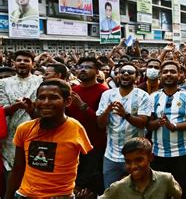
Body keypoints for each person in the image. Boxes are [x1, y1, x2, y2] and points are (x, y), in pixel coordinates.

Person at [5, 79, 93, 198]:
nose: (46, 102)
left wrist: (79, 188)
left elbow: (88, 164)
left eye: (53, 98)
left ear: (67, 101)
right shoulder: (24, 129)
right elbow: (17, 169)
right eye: (41, 98)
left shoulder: (76, 128)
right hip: (25, 195)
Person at [147, 60, 186, 198]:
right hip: (158, 154)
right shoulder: (153, 97)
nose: (168, 74)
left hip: (182, 153)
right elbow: (148, 124)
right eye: (165, 72)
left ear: (179, 75)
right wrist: (159, 122)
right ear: (160, 75)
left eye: (172, 71)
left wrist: (174, 126)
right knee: (159, 191)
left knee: (180, 190)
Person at [97, 63, 152, 189]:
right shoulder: (107, 95)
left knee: (138, 191)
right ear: (117, 76)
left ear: (137, 77)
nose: (126, 74)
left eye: (130, 72)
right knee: (111, 191)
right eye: (122, 72)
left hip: (136, 155)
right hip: (111, 155)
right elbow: (100, 124)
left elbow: (143, 123)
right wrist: (107, 111)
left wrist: (125, 115)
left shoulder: (143, 96)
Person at [67, 57, 109, 196]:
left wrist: (83, 106)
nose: (83, 69)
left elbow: (101, 121)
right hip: (72, 144)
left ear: (97, 72)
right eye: (80, 67)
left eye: (88, 67)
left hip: (94, 145)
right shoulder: (73, 90)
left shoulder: (104, 91)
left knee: (90, 185)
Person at [0, 51, 42, 181]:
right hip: (11, 137)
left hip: (36, 132)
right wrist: (17, 106)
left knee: (35, 173)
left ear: (33, 64)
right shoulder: (3, 83)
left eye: (26, 60)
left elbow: (43, 107)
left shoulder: (41, 81)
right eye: (19, 60)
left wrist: (31, 107)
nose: (22, 63)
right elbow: (2, 110)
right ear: (14, 63)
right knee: (12, 176)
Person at [101, 137, 182, 199]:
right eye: (128, 162)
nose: (133, 166)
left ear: (150, 157)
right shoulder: (118, 188)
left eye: (139, 160)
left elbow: (178, 195)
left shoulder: (166, 179)